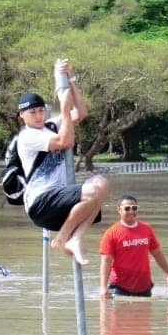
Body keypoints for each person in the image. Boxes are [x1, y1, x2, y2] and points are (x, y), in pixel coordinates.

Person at [17, 58, 108, 266]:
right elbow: (65, 140)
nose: (38, 116)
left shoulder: (50, 125)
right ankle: (62, 239)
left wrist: (71, 79)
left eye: (41, 110)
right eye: (32, 112)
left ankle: (74, 238)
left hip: (58, 198)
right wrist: (65, 109)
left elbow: (81, 113)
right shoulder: (28, 136)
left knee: (100, 186)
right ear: (22, 115)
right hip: (41, 202)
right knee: (93, 190)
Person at [99, 195, 168, 298]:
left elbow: (157, 254)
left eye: (134, 208)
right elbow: (106, 261)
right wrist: (103, 287)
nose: (131, 211)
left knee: (143, 313)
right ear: (119, 210)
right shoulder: (111, 233)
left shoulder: (147, 229)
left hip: (144, 287)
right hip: (120, 287)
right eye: (127, 208)